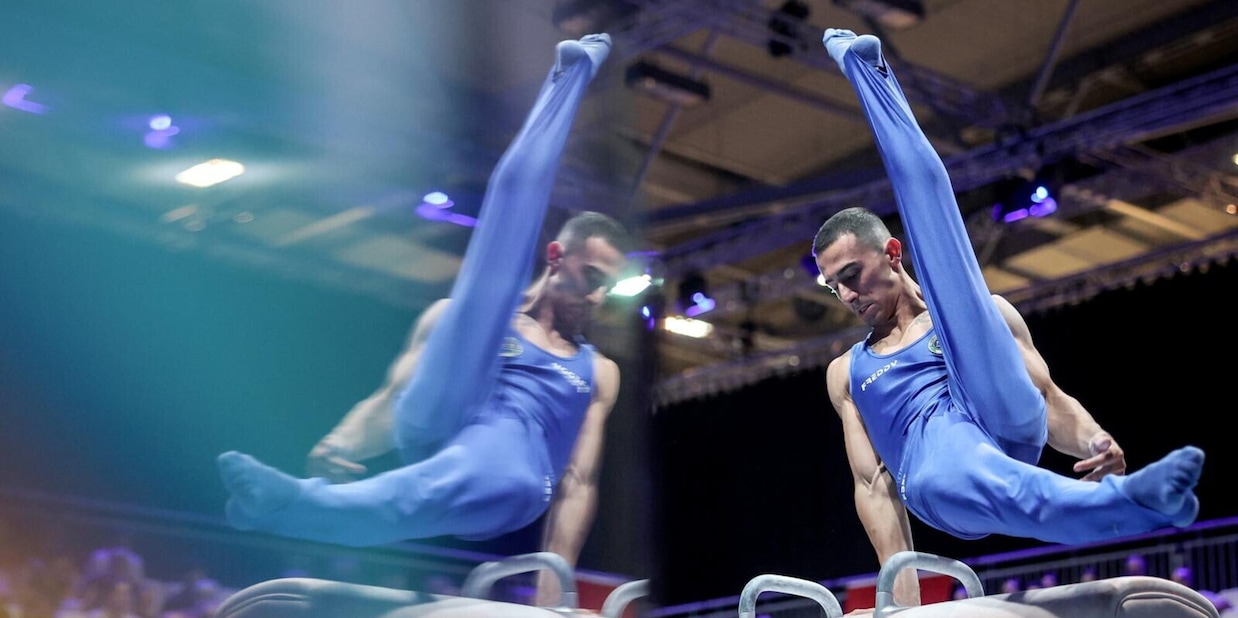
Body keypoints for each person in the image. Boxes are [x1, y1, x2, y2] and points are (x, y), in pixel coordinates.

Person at [216, 33, 630, 604]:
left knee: (485, 453)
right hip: (440, 429)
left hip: (508, 472)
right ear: (557, 258)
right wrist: (342, 442)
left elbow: (579, 483)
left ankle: (300, 504)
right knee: (492, 253)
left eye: (607, 288)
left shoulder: (597, 371)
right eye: (591, 278)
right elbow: (393, 401)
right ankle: (567, 75)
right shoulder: (462, 323)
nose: (598, 298)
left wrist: (551, 590)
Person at [812, 28, 1205, 611]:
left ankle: (870, 74)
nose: (845, 295)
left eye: (852, 274)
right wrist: (905, 602)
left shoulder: (980, 318)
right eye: (832, 284)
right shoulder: (847, 372)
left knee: (951, 250)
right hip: (939, 468)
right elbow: (873, 489)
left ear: (892, 254)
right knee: (970, 461)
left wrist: (1094, 439)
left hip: (1003, 422)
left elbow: (1045, 400)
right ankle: (1124, 506)